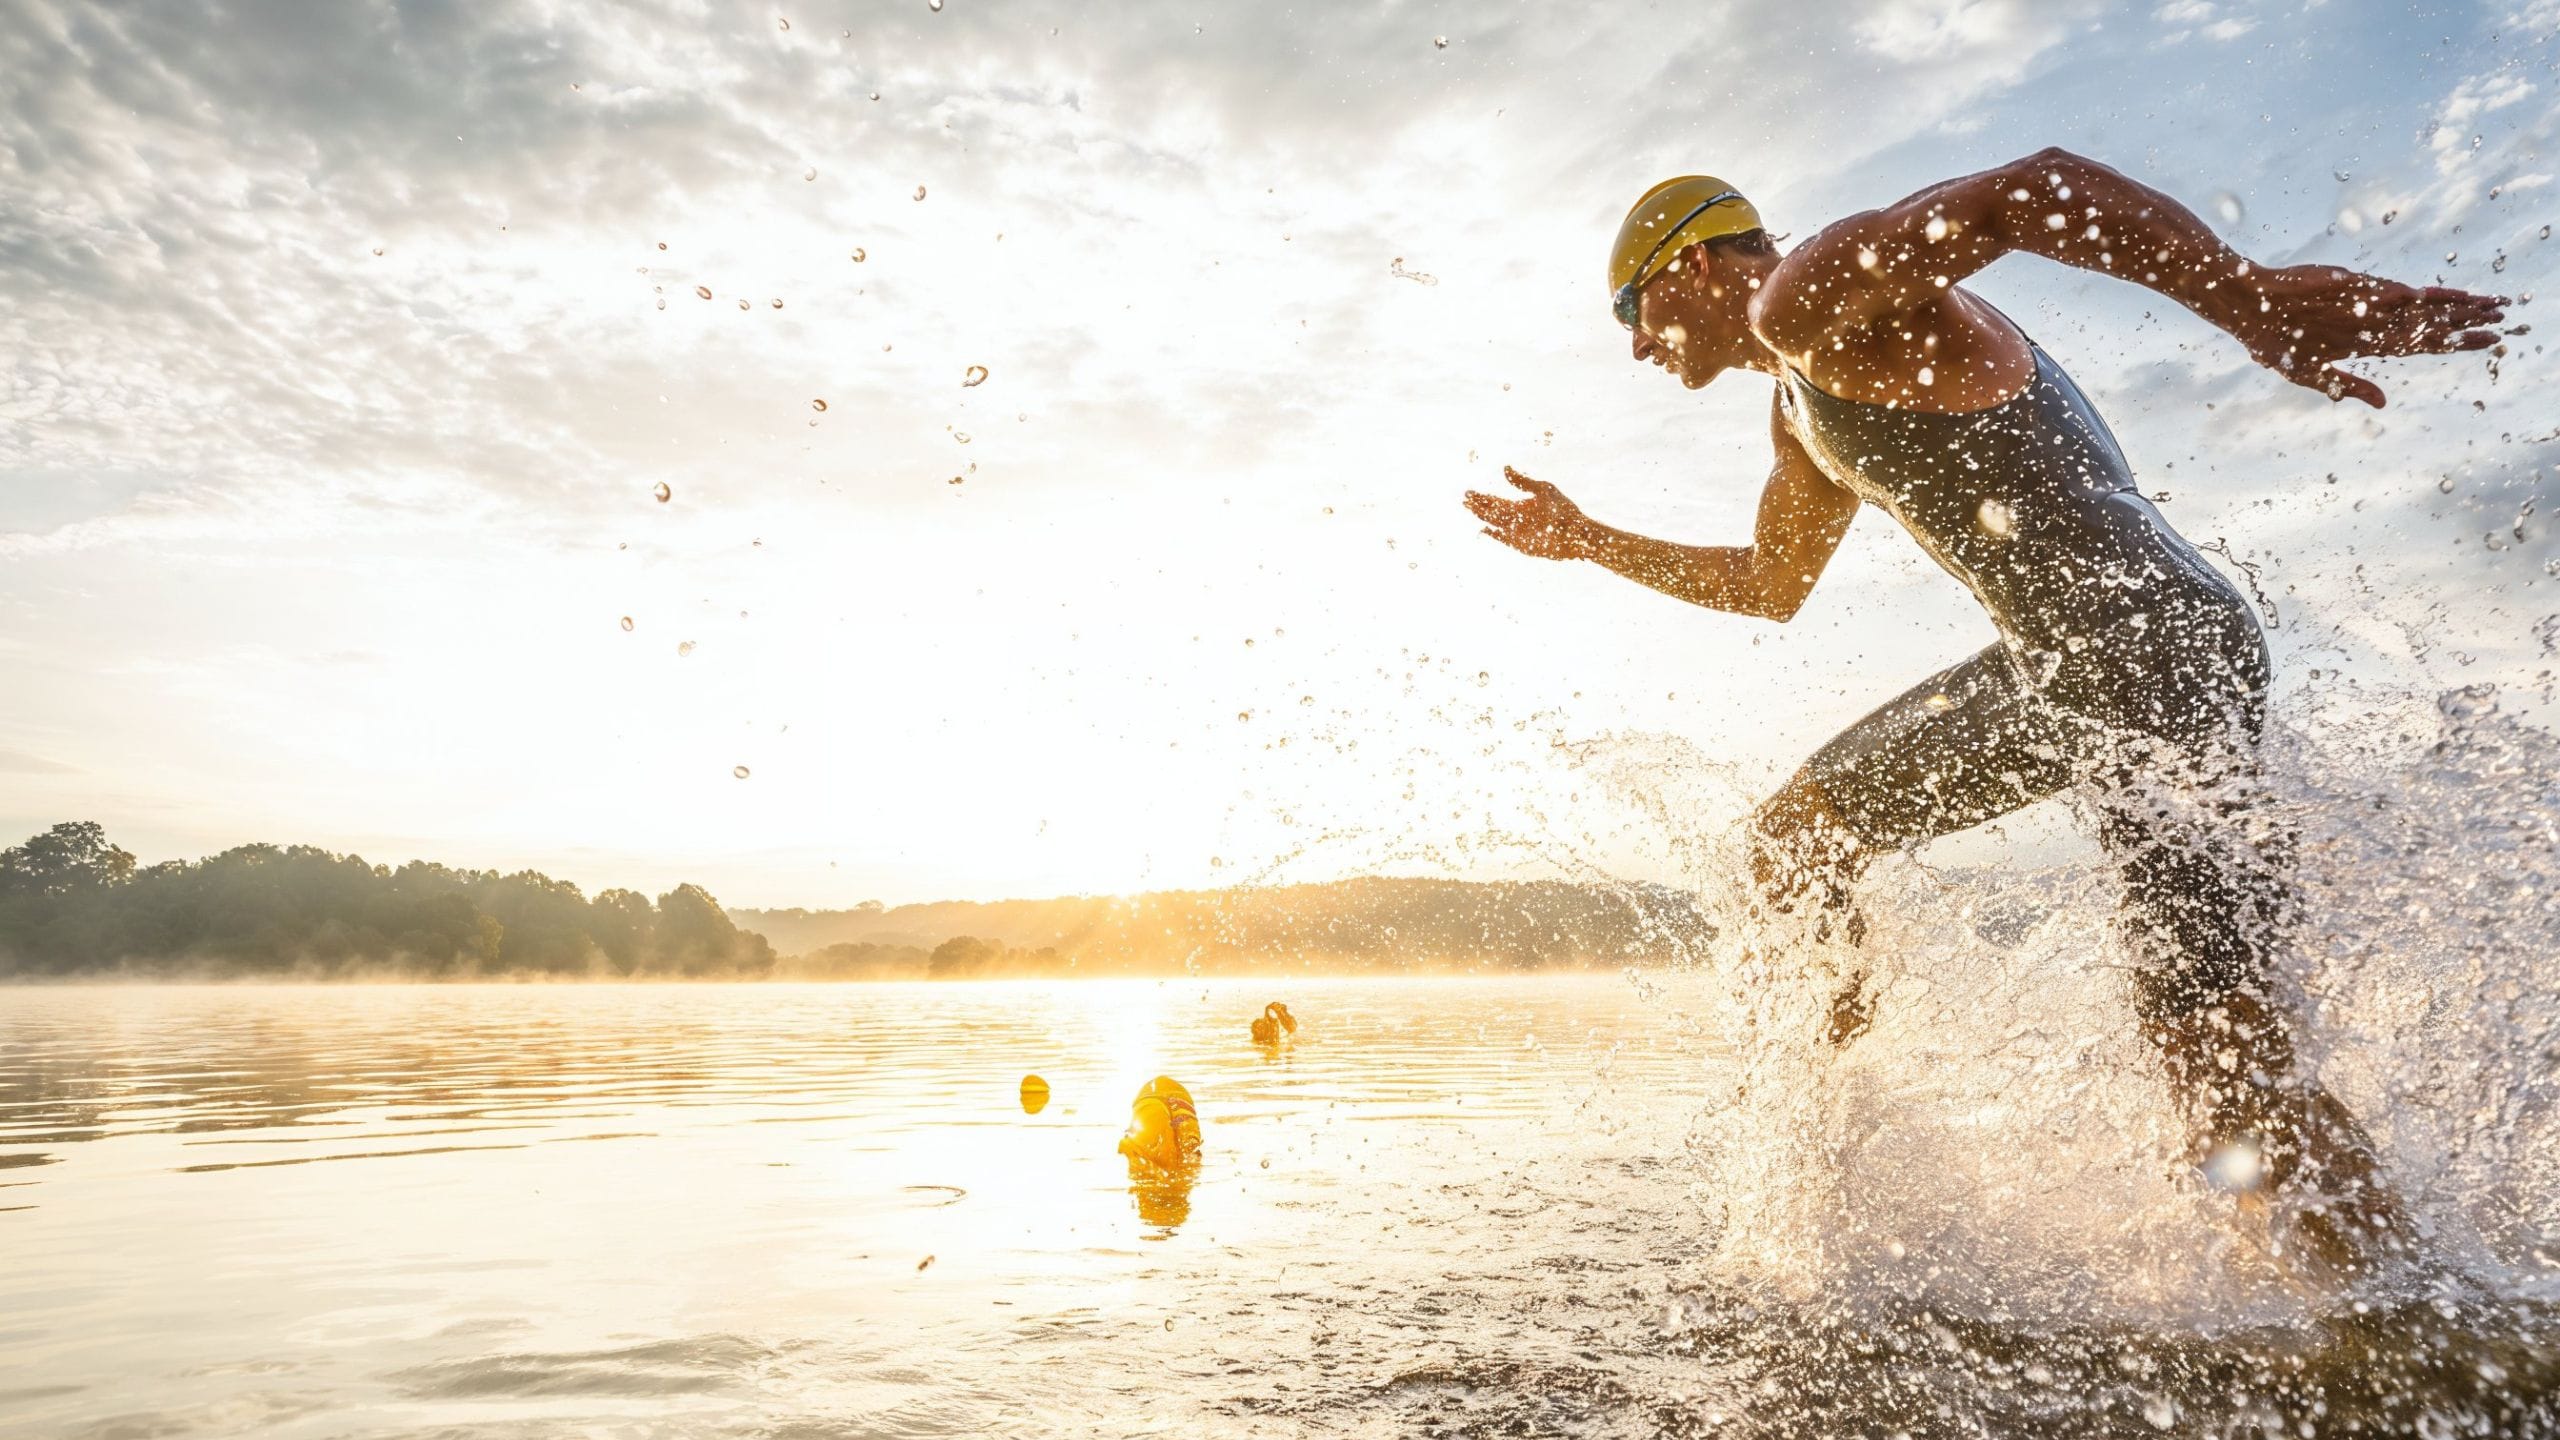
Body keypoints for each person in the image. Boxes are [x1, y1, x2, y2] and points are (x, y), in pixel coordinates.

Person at [1463, 154, 2506, 1274]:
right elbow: (1771, 584)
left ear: (1699, 261)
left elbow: (2028, 189)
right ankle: (1835, 1141)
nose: (1632, 342)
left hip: (2145, 642)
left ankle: (2402, 1316)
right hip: (2064, 668)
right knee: (1789, 849)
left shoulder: (1802, 296)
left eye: (1632, 306)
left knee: (2215, 1050)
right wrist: (1588, 541)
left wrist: (2241, 294)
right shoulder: (1796, 402)